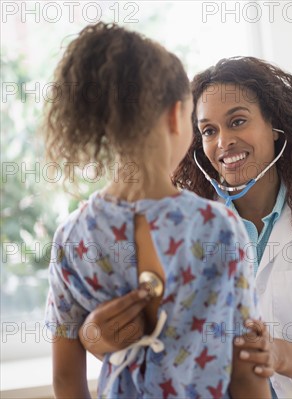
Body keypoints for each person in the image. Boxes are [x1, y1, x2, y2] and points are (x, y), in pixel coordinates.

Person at [80, 56, 292, 397]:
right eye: (208, 131)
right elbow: (149, 344)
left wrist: (276, 353)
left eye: (238, 121)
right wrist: (98, 337)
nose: (223, 142)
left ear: (275, 127)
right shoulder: (180, 230)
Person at [43, 24, 270, 399]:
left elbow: (66, 381)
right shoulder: (217, 228)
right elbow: (248, 374)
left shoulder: (71, 236)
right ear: (175, 115)